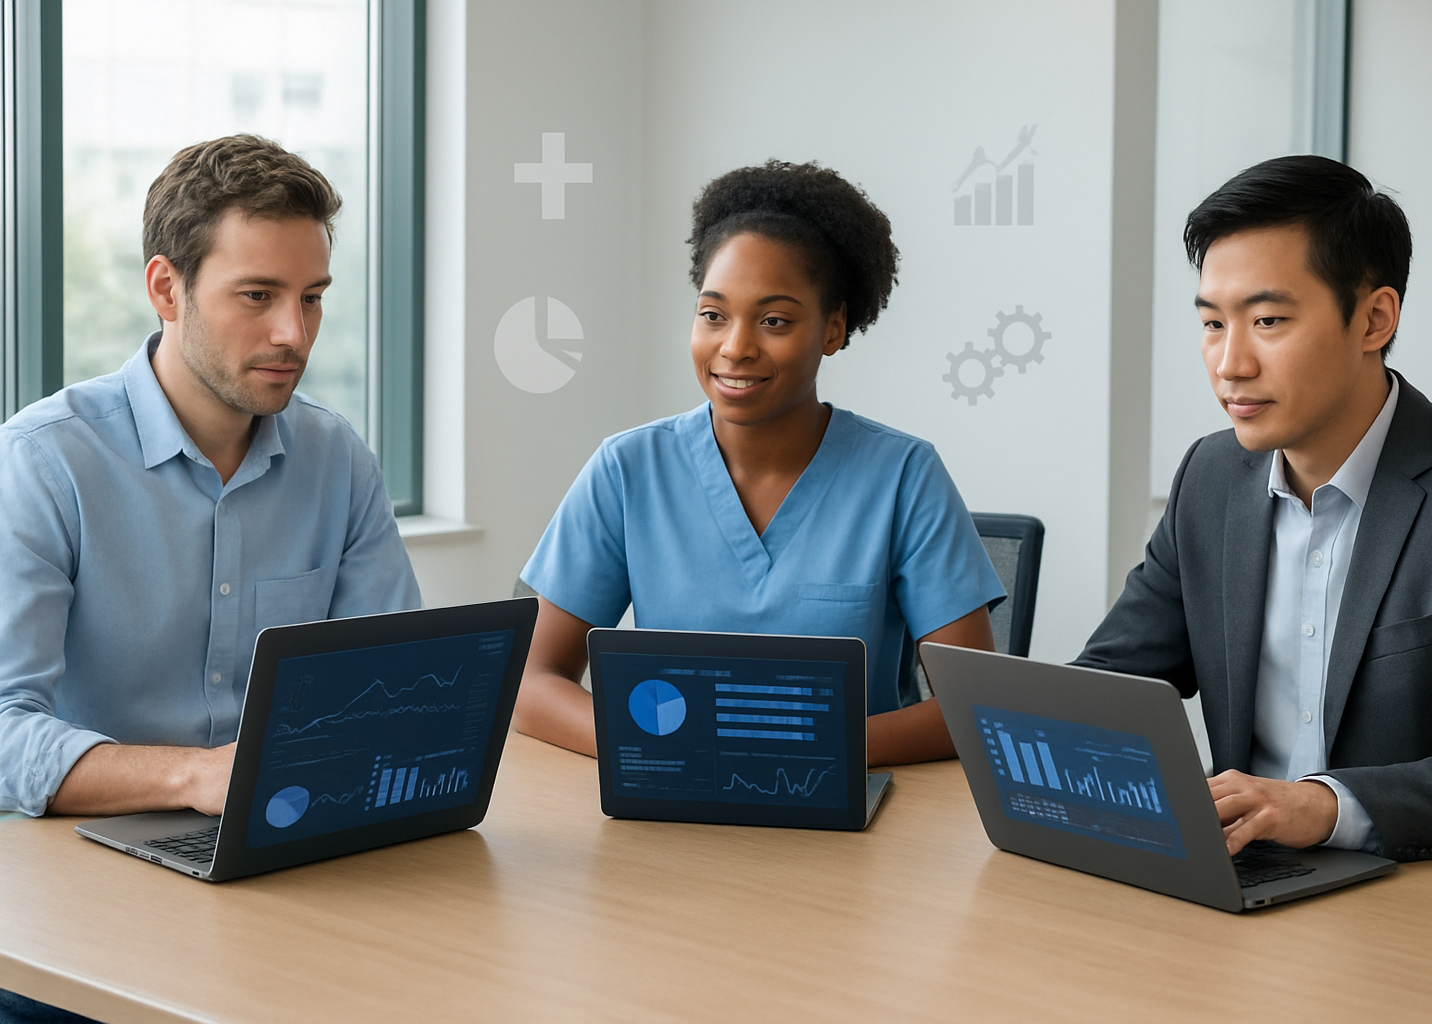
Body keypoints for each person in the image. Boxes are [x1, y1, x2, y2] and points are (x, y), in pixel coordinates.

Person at [1075, 155, 1432, 861]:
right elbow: (1113, 683)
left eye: (1266, 320)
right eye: (1211, 324)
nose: (1230, 364)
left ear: (1374, 319)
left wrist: (1317, 805)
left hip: (1408, 897)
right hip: (1237, 876)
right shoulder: (1210, 476)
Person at [515, 160, 1004, 766]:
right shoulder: (627, 470)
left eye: (774, 321)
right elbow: (533, 684)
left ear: (832, 328)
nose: (735, 347)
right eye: (713, 314)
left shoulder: (904, 477)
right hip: (672, 806)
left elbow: (976, 706)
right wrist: (661, 747)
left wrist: (792, 750)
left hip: (853, 818)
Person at [0, 134, 421, 825]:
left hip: (285, 832)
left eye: (311, 298)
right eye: (258, 295)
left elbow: (396, 692)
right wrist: (193, 775)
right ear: (167, 288)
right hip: (84, 860)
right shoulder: (43, 463)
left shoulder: (337, 460)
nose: (294, 333)